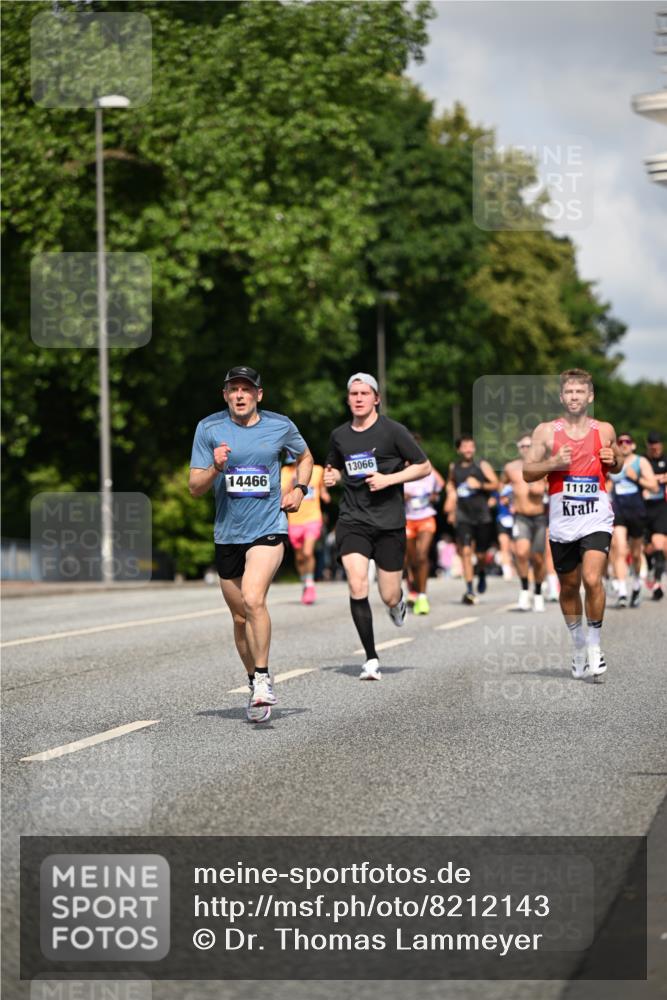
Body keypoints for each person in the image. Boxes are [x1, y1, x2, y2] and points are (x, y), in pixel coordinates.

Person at [189, 366, 313, 722]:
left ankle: (262, 678)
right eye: (233, 389)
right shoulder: (208, 429)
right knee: (240, 616)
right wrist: (215, 467)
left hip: (268, 528)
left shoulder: (280, 426)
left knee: (254, 598)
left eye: (247, 389)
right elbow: (195, 487)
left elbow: (305, 457)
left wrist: (300, 489)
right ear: (225, 395)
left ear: (260, 394)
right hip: (228, 533)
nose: (240, 395)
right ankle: (252, 681)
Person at [323, 373, 431, 680]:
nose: (358, 398)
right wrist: (332, 478)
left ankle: (398, 605)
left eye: (364, 393)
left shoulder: (393, 431)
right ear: (348, 399)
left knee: (388, 594)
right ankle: (371, 657)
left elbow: (424, 467)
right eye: (353, 393)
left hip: (388, 523)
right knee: (357, 585)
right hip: (352, 520)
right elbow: (335, 470)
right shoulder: (339, 435)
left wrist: (390, 479)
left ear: (376, 399)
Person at [522, 368, 623, 681]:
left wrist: (613, 458)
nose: (575, 397)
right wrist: (553, 463)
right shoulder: (546, 432)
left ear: (590, 396)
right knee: (569, 586)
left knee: (593, 578)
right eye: (569, 392)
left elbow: (617, 463)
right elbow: (528, 472)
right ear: (561, 396)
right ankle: (578, 644)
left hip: (596, 515)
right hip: (563, 519)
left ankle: (594, 644)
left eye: (580, 392)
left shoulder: (604, 429)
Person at [445, 435, 499, 605]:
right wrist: (451, 496)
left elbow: (496, 484)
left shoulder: (482, 465)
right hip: (463, 515)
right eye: (465, 446)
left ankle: (481, 571)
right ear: (459, 449)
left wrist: (480, 485)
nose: (468, 449)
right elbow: (451, 483)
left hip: (482, 515)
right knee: (466, 552)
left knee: (481, 555)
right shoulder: (454, 467)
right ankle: (469, 589)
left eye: (471, 446)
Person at [607, 433, 658, 608]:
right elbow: (605, 483)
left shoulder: (640, 462)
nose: (623, 444)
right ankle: (622, 591)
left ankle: (636, 585)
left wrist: (635, 477)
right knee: (619, 549)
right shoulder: (613, 462)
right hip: (618, 510)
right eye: (620, 442)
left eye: (627, 441)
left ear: (633, 445)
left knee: (636, 554)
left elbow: (654, 485)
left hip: (636, 510)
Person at [504, 435, 548, 612]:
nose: (526, 449)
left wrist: (542, 489)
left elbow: (555, 488)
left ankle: (537, 592)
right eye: (523, 446)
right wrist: (506, 500)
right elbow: (502, 487)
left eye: (529, 446)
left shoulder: (543, 467)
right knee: (520, 553)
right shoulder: (510, 468)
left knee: (538, 558)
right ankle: (524, 590)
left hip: (539, 517)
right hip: (520, 517)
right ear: (518, 447)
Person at [280, 455, 330, 604]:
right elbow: (281, 495)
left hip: (313, 518)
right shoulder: (286, 471)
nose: (295, 463)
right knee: (300, 557)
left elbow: (322, 489)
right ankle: (304, 581)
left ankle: (310, 585)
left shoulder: (317, 470)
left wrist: (325, 494)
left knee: (308, 552)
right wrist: (290, 483)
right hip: (294, 520)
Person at [404, 449, 445, 615]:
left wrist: (434, 496)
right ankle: (413, 588)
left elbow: (440, 486)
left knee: (422, 556)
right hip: (407, 519)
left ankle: (422, 596)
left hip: (426, 518)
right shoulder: (403, 473)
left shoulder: (428, 472)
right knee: (411, 559)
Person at [644, 430, 667, 601]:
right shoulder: (642, 461)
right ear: (648, 445)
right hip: (643, 508)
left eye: (657, 443)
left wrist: (655, 479)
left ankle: (658, 584)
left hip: (661, 507)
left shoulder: (665, 460)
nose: (655, 447)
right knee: (647, 548)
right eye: (652, 444)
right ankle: (650, 567)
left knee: (659, 544)